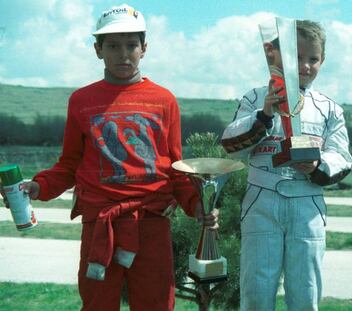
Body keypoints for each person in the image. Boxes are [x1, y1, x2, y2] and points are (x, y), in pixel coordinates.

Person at [0, 4, 218, 311]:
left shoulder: (164, 100)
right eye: (113, 46)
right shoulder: (81, 100)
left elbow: (176, 169)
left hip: (152, 221)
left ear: (145, 48)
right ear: (97, 50)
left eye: (131, 45)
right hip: (101, 223)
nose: (123, 54)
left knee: (156, 304)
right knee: (97, 304)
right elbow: (69, 165)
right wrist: (38, 187)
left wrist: (198, 205)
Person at [221, 19, 352, 310]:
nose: (305, 66)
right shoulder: (256, 97)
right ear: (279, 58)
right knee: (256, 288)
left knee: (305, 289)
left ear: (323, 60)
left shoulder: (329, 107)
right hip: (261, 200)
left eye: (313, 59)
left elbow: (342, 156)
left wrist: (318, 167)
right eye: (297, 58)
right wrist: (265, 114)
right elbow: (230, 144)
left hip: (307, 203)